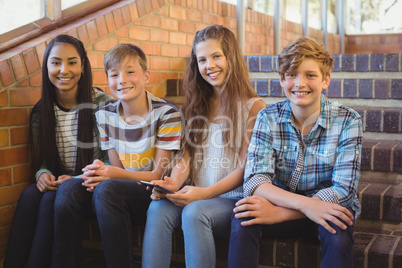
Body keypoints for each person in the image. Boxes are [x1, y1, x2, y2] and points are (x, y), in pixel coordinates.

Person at [228, 36, 363, 268]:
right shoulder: (267, 117)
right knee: (244, 215)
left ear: (325, 80)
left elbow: (344, 189)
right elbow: (255, 179)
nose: (299, 83)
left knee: (339, 227)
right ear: (282, 79)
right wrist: (303, 205)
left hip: (325, 207)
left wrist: (282, 213)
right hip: (280, 200)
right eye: (292, 75)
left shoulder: (348, 120)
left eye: (310, 75)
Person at [142, 24, 266, 268]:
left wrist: (204, 194)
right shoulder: (196, 105)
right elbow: (186, 158)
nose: (210, 65)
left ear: (231, 57)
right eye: (202, 59)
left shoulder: (254, 108)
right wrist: (173, 183)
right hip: (196, 193)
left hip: (231, 198)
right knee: (157, 208)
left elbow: (244, 171)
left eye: (216, 56)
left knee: (194, 212)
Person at [51, 43, 182, 268]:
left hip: (153, 191)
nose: (122, 80)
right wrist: (98, 174)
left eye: (130, 72)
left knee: (107, 188)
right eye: (114, 74)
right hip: (118, 188)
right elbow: (115, 168)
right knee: (68, 189)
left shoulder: (167, 113)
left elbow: (157, 173)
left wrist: (109, 175)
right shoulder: (104, 114)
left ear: (146, 75)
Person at [3, 34, 113, 268]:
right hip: (60, 185)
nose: (64, 70)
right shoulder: (41, 112)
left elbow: (109, 161)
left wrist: (74, 179)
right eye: (56, 62)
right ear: (46, 67)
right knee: (32, 194)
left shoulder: (103, 104)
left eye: (72, 62)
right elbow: (43, 160)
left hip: (93, 186)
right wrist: (42, 174)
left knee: (50, 199)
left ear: (83, 66)